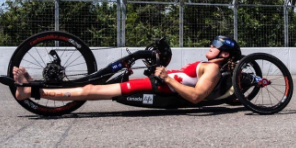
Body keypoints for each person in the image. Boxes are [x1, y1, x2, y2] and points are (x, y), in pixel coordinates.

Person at [12, 36, 242, 105]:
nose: (210, 46)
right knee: (95, 84)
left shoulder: (212, 71)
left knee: (93, 89)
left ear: (224, 55)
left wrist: (166, 79)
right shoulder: (211, 66)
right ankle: (36, 86)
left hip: (158, 85)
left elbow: (196, 96)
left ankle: (32, 92)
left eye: (215, 46)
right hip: (159, 80)